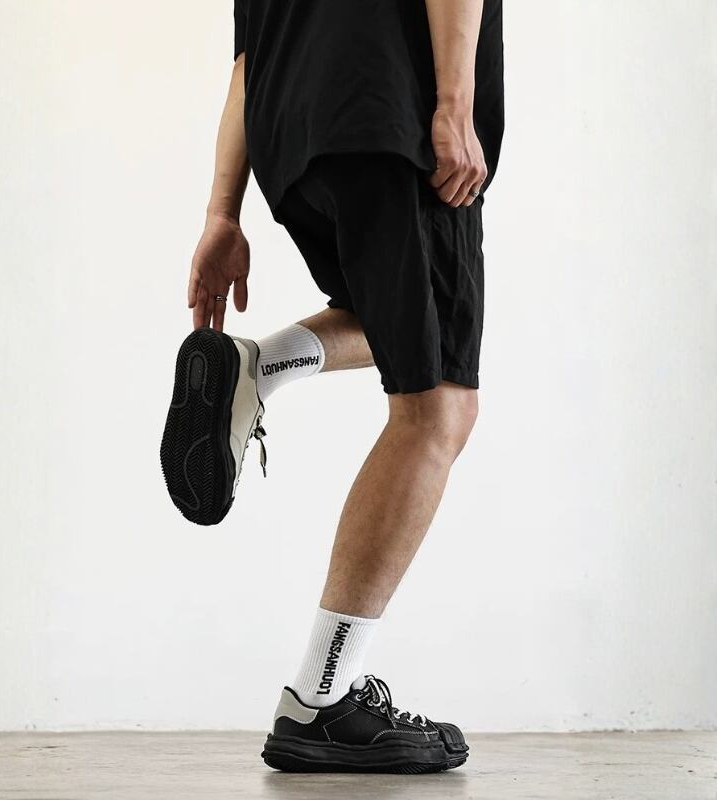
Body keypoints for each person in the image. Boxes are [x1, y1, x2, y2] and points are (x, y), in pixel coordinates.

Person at [161, 0, 504, 774]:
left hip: (291, 138)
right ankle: (322, 698)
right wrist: (453, 106)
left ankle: (258, 367)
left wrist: (221, 214)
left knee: (397, 327)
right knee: (440, 406)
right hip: (392, 118)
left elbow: (246, 64)